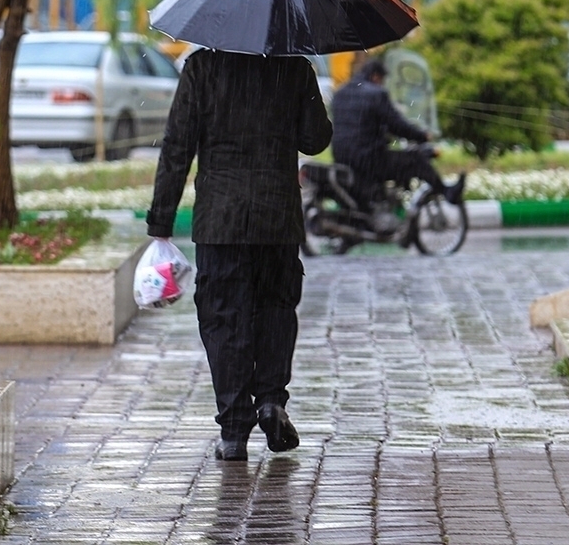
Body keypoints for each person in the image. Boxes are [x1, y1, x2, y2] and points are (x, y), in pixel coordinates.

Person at [146, 48, 332, 461]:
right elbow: (315, 140)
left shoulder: (202, 68)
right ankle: (270, 400)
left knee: (223, 317)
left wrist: (161, 220)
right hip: (277, 218)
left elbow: (178, 146)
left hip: (220, 221)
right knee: (275, 309)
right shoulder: (294, 67)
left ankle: (233, 431)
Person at [330, 59, 462, 205]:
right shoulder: (376, 93)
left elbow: (357, 125)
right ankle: (447, 192)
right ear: (376, 76)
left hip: (343, 158)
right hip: (368, 159)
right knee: (416, 160)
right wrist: (422, 136)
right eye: (382, 79)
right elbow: (397, 125)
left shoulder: (340, 93)